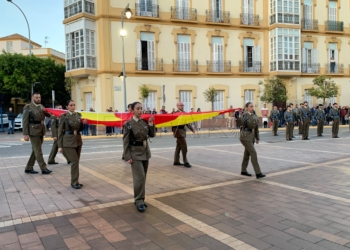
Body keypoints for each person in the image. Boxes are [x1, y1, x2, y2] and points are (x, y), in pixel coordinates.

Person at [123, 102, 155, 212]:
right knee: (139, 178)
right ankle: (139, 200)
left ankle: (140, 198)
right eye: (138, 108)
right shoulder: (129, 124)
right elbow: (125, 142)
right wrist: (127, 156)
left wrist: (151, 123)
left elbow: (152, 135)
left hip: (145, 152)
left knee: (143, 178)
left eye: (141, 108)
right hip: (135, 154)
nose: (140, 110)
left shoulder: (144, 122)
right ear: (132, 110)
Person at [58, 100, 87, 189]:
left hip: (78, 140)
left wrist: (83, 124)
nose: (73, 107)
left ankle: (75, 181)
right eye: (71, 105)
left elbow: (80, 128)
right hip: (68, 141)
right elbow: (60, 131)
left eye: (74, 105)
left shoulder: (78, 115)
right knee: (74, 161)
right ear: (67, 107)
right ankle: (74, 182)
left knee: (76, 162)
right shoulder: (63, 117)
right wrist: (60, 145)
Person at [22, 93, 52, 175]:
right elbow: (25, 121)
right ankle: (43, 168)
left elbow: (48, 115)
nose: (38, 99)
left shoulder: (41, 106)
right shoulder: (28, 107)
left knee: (35, 150)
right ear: (32, 98)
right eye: (36, 97)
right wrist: (25, 134)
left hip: (41, 130)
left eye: (39, 97)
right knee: (38, 151)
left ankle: (29, 167)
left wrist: (47, 112)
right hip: (33, 131)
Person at [239, 102, 265, 179]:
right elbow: (240, 124)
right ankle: (258, 173)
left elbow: (256, 128)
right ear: (246, 108)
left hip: (252, 136)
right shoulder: (244, 115)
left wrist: (257, 138)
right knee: (253, 153)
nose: (252, 108)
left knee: (247, 154)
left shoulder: (254, 116)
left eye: (253, 106)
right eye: (250, 106)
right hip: (245, 136)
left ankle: (243, 170)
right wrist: (242, 113)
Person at [172, 102, 195, 168]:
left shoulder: (184, 113)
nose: (182, 106)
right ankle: (185, 162)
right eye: (181, 105)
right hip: (178, 131)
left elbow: (187, 122)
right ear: (177, 106)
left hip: (182, 131)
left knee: (178, 146)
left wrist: (192, 129)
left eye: (183, 105)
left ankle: (176, 161)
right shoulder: (175, 113)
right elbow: (172, 123)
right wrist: (174, 131)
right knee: (184, 146)